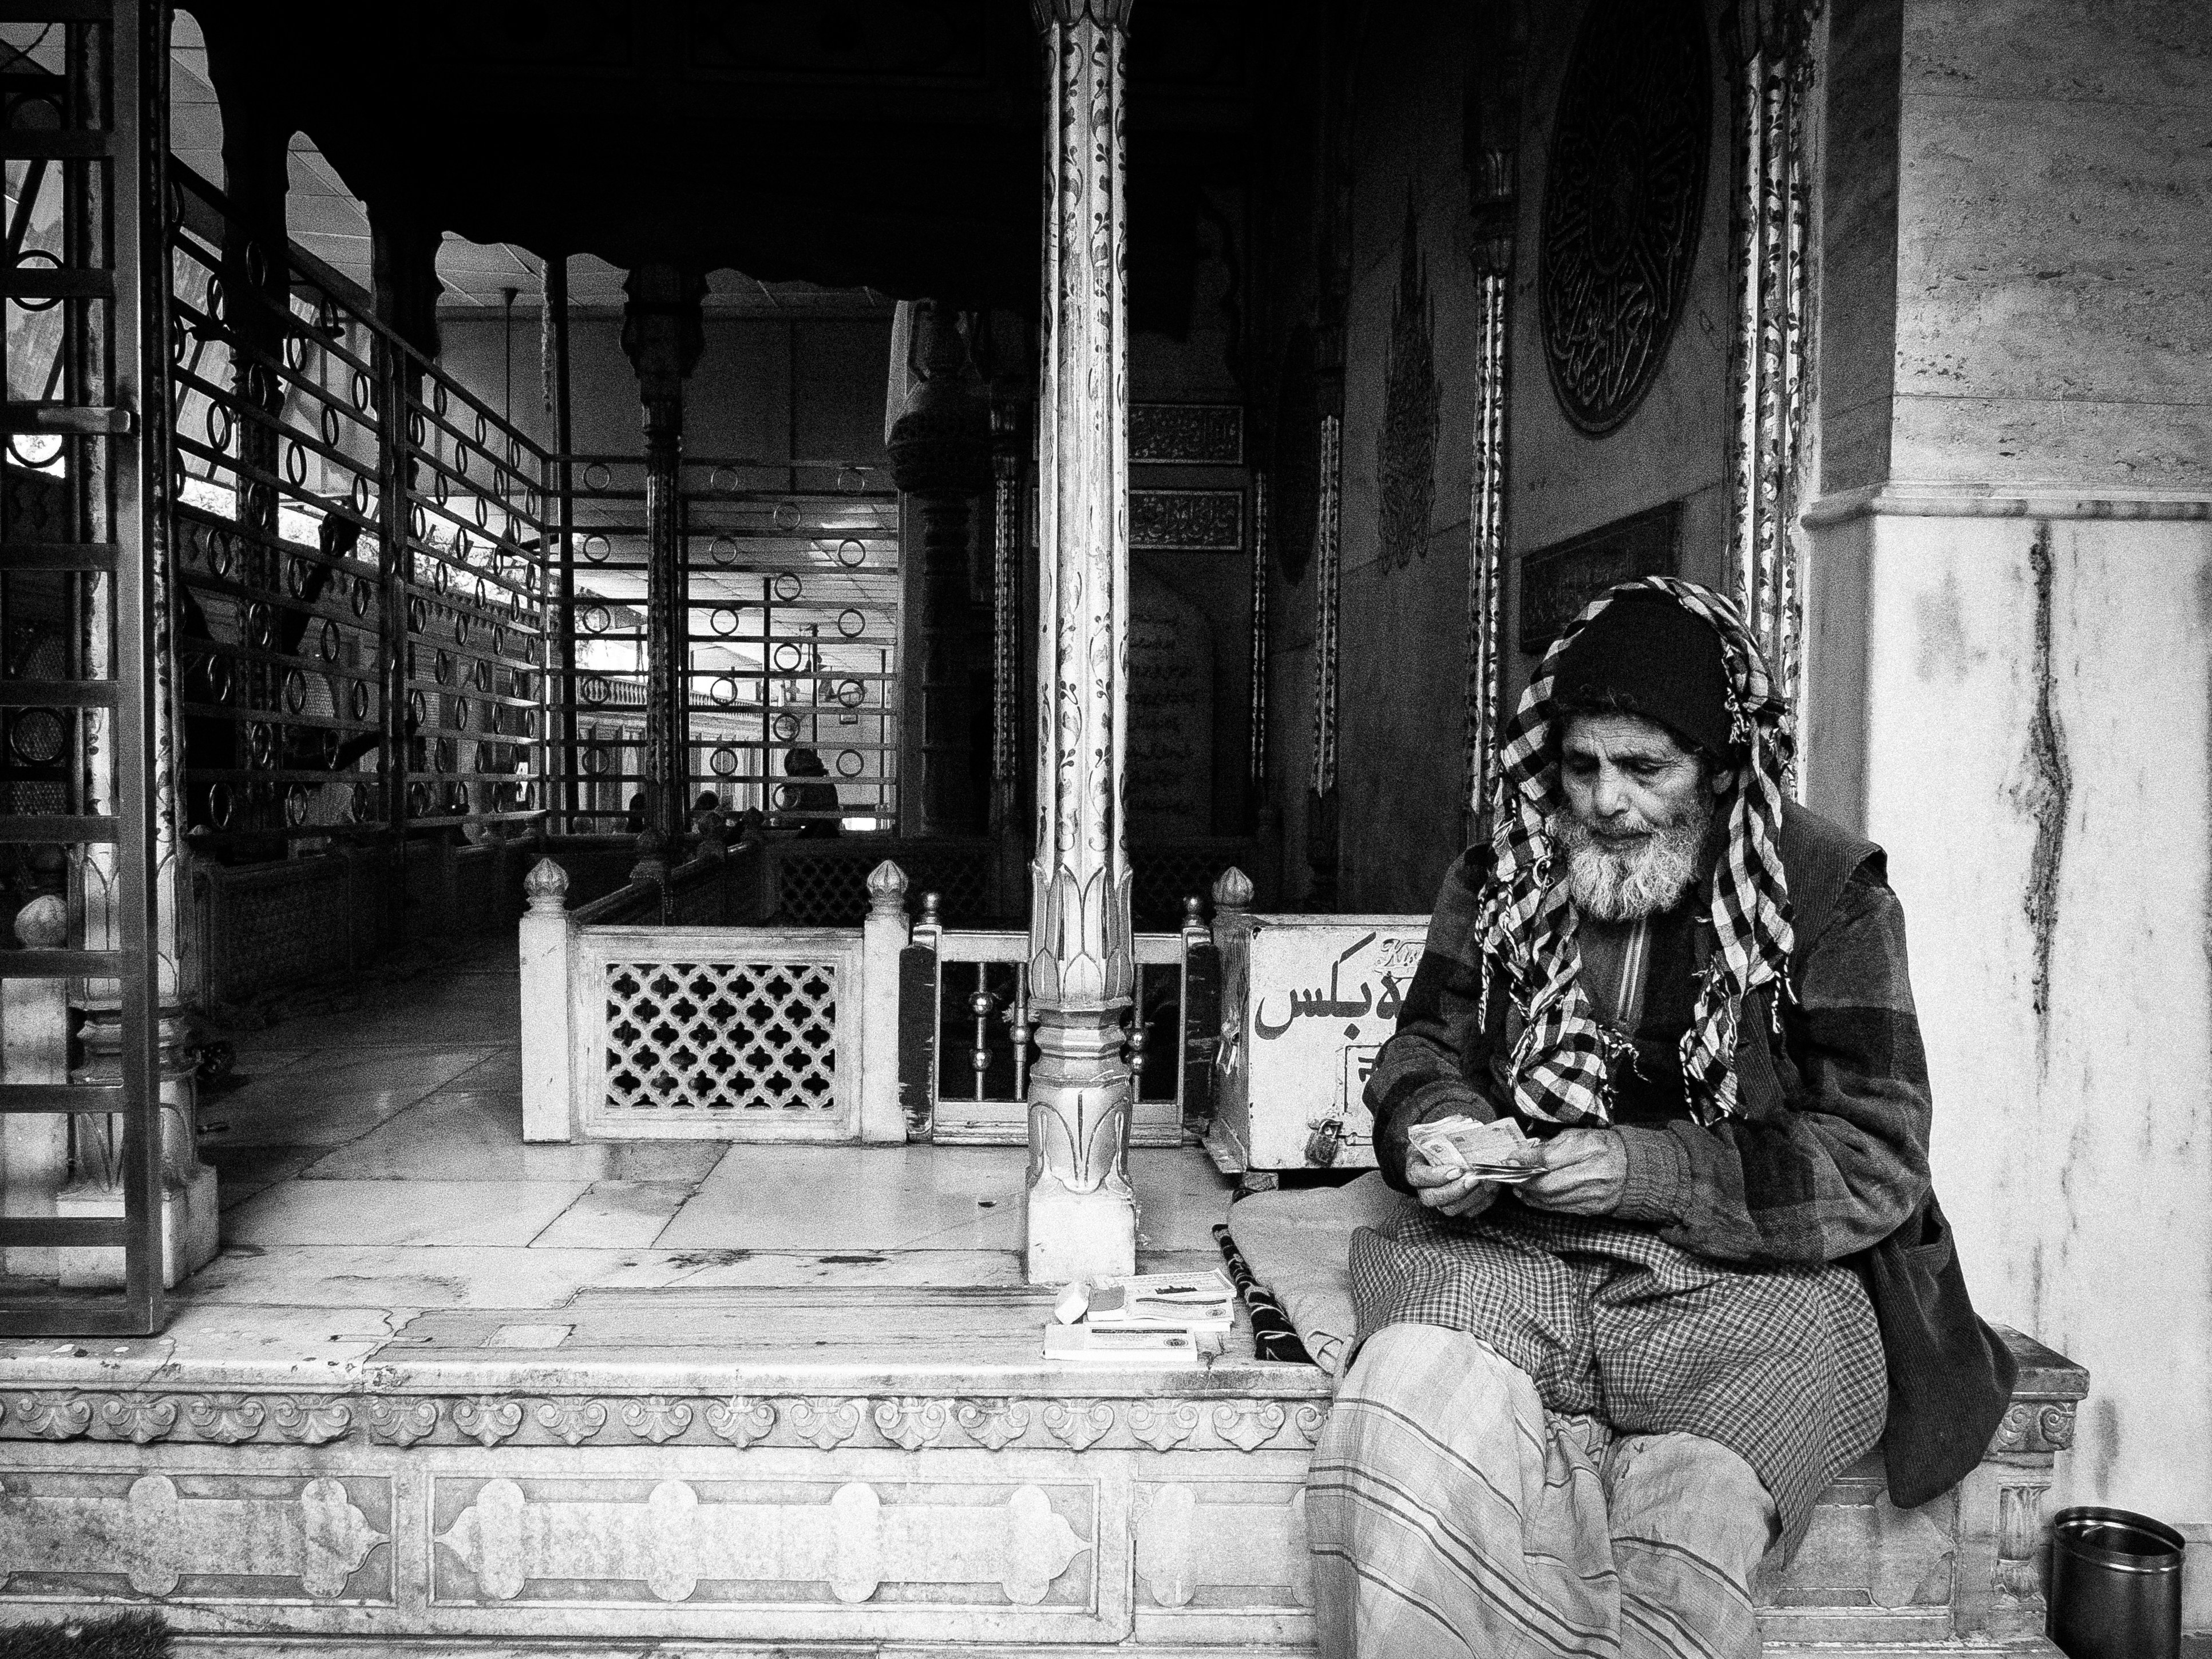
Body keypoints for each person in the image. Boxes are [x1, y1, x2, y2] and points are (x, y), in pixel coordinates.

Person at [1307, 577, 2014, 1659]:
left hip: (1744, 1282)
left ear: (1720, 773)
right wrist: (1441, 1131)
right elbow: (1421, 1047)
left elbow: (1877, 1158)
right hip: (1520, 1248)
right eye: (1583, 764)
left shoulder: (1828, 891)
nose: (1606, 800)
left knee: (1700, 1515)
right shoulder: (1505, 866)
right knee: (1404, 1405)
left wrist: (1649, 1171)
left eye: (1646, 768)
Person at [779, 747, 842, 838]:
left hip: (807, 836)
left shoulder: (795, 787)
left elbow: (788, 821)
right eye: (812, 758)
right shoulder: (826, 785)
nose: (819, 759)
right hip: (821, 835)